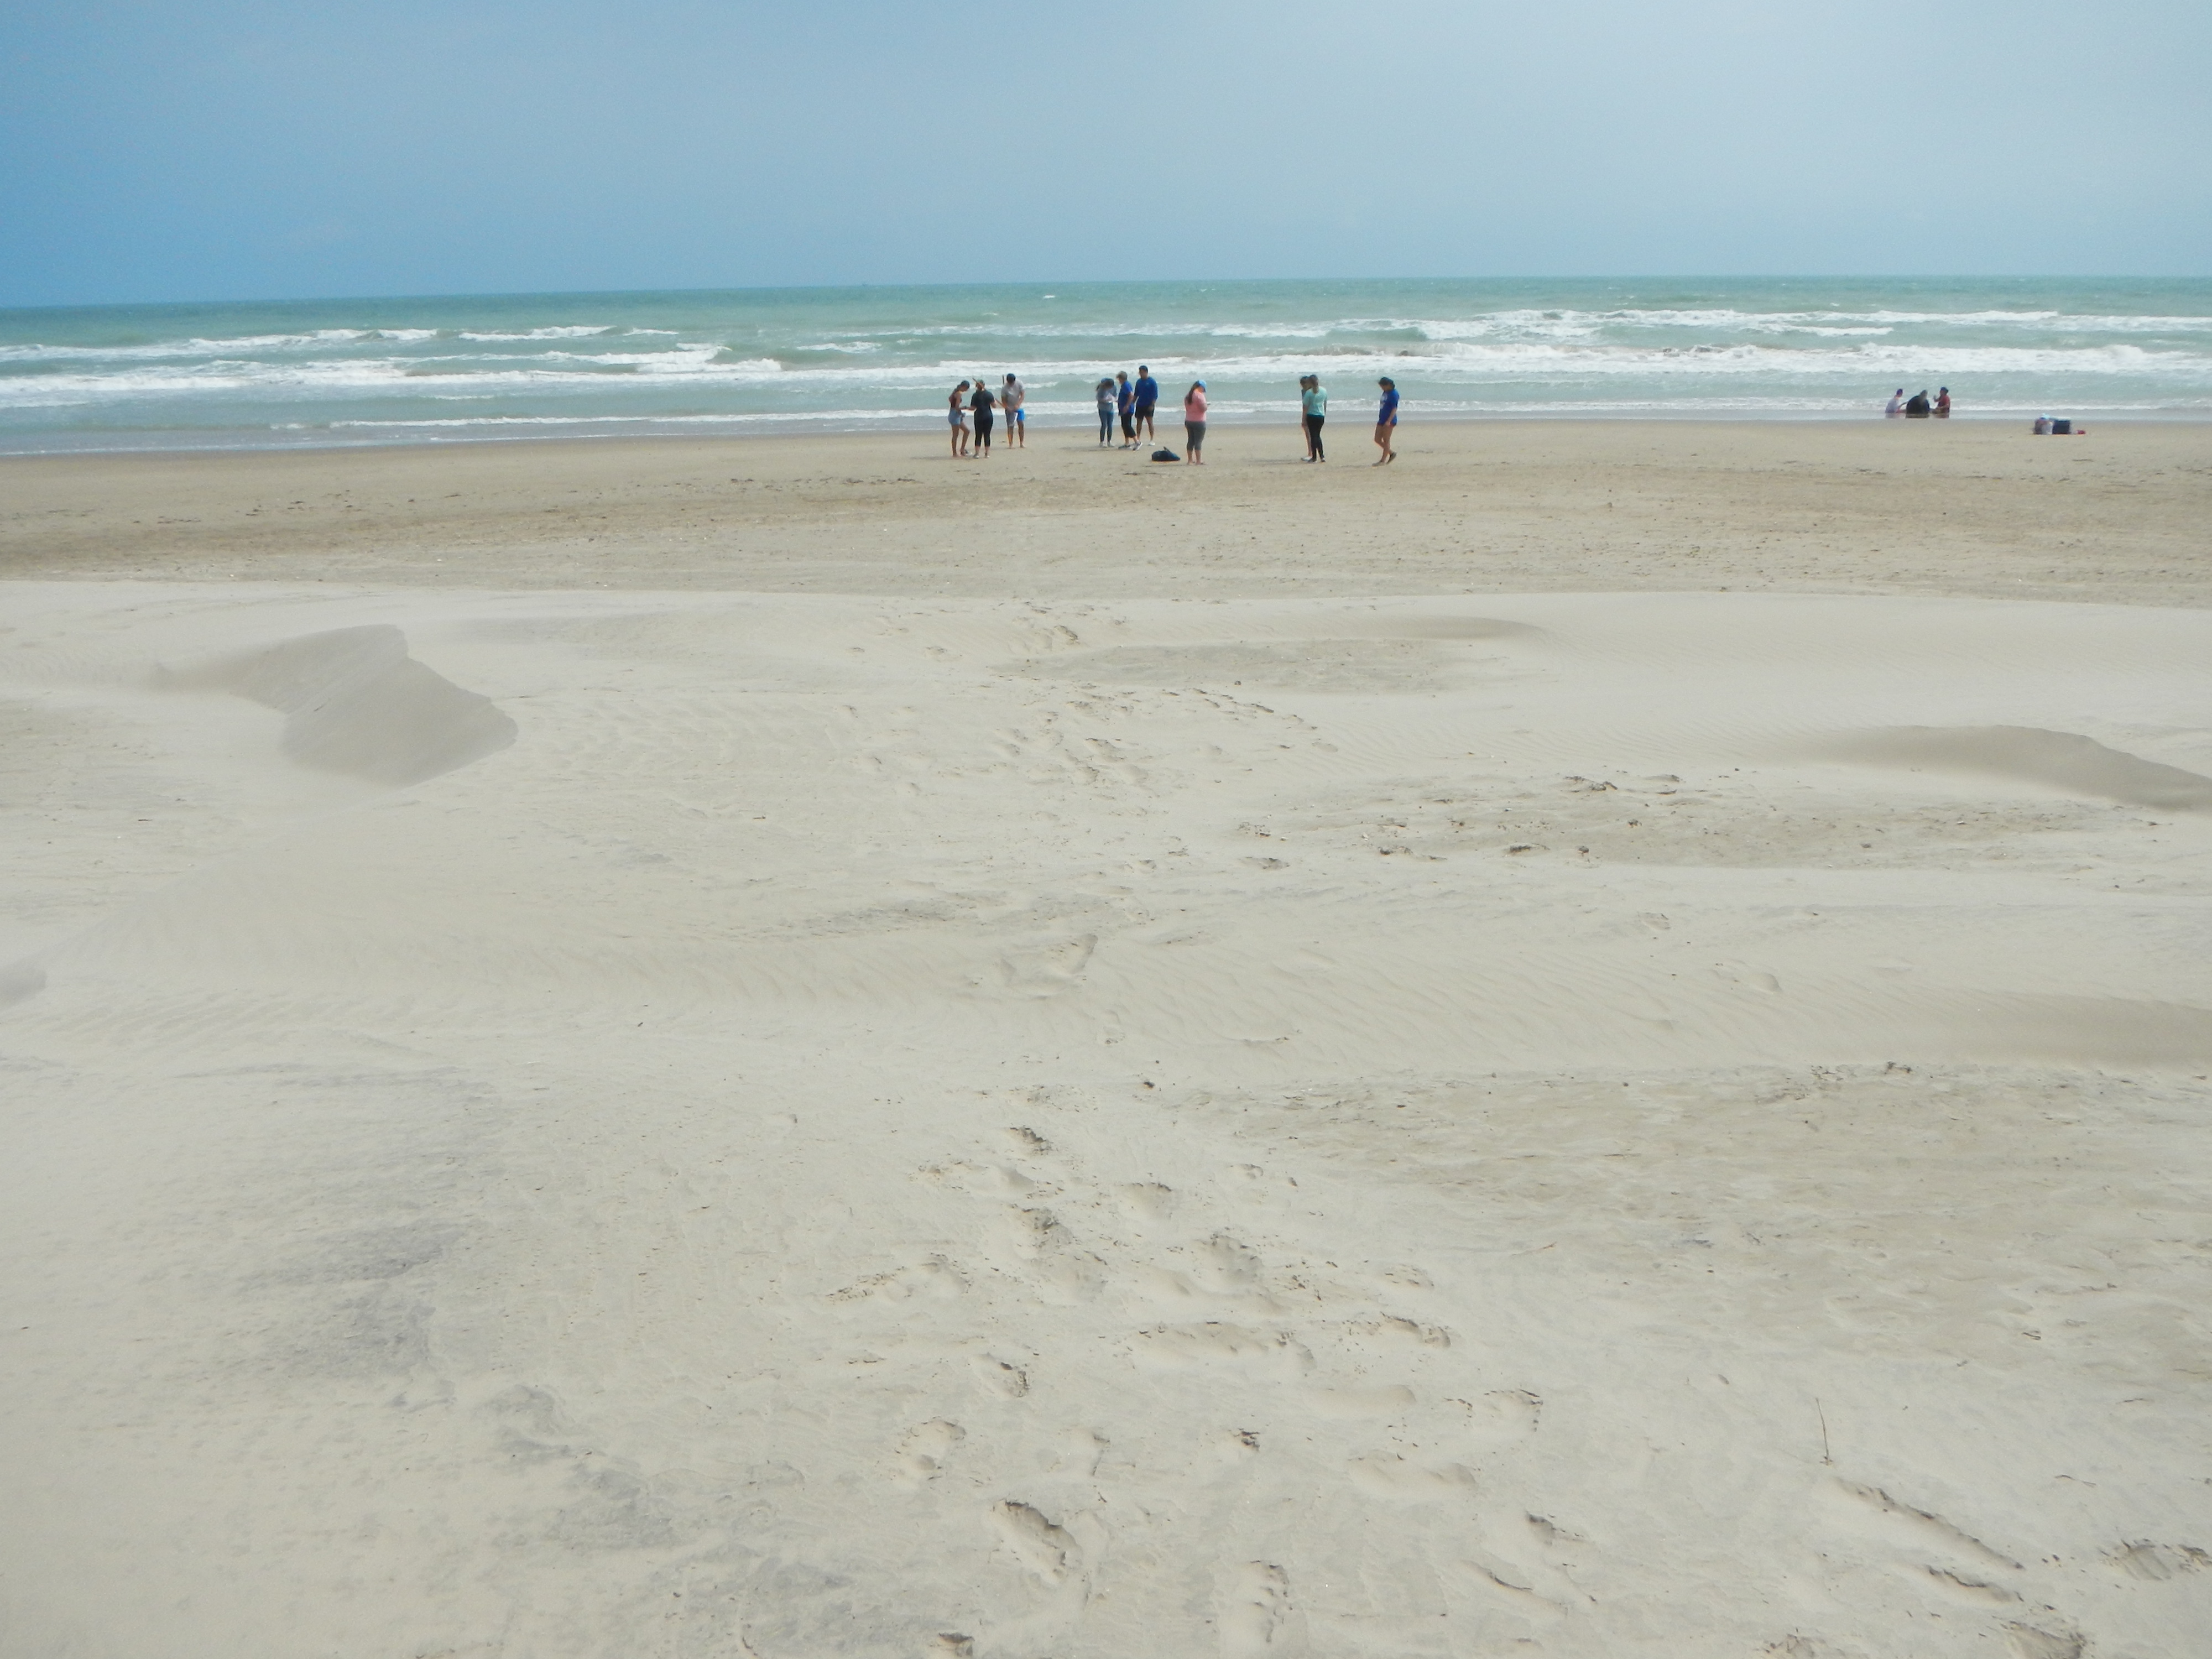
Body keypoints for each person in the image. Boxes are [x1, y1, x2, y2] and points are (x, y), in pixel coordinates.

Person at [1373, 377, 1399, 465]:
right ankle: (1391, 453)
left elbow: (1394, 408)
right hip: (1382, 418)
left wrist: (1389, 421)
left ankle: (1382, 461)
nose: (1381, 388)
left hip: (1389, 420)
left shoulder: (1394, 394)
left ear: (1388, 385)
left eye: (1382, 386)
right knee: (1377, 439)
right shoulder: (1386, 392)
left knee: (1386, 440)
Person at [1301, 374, 1327, 461]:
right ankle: (1322, 456)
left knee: (1313, 437)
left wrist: (1303, 419)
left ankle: (1314, 458)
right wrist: (1324, 414)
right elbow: (1325, 404)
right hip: (1321, 416)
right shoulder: (1324, 391)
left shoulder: (1309, 393)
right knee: (1318, 436)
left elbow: (1305, 407)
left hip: (1311, 416)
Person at [1133, 364, 1159, 443]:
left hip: (1149, 405)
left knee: (1150, 422)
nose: (1141, 374)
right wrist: (1132, 404)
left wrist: (1152, 405)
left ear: (1146, 372)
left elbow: (1155, 395)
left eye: (1142, 372)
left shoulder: (1152, 382)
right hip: (1140, 404)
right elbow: (1136, 394)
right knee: (1139, 422)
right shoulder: (1139, 382)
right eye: (1140, 372)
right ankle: (1138, 439)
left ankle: (1152, 439)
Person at [969, 377, 996, 456]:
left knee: (978, 435)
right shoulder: (989, 394)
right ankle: (987, 454)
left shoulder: (975, 395)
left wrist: (965, 408)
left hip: (979, 416)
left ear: (977, 386)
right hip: (988, 416)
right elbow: (994, 406)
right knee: (987, 435)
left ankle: (977, 454)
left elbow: (973, 408)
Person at [1183, 380, 1208, 464]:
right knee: (1198, 441)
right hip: (1199, 421)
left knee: (1191, 440)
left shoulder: (1188, 396)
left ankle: (1190, 460)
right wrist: (1207, 406)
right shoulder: (1199, 396)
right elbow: (1203, 408)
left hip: (1189, 420)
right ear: (1201, 387)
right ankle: (1198, 460)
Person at [1002, 373, 1026, 447]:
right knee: (1010, 426)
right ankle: (1011, 444)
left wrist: (1018, 404)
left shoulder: (1019, 383)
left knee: (1021, 424)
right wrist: (1007, 407)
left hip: (1019, 407)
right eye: (1010, 383)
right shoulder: (1004, 388)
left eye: (1012, 382)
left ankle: (1021, 443)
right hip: (1010, 408)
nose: (1011, 384)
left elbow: (1022, 395)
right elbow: (1004, 401)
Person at [949, 380, 971, 458]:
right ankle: (954, 453)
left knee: (967, 431)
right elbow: (957, 407)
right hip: (955, 415)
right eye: (966, 388)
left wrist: (961, 414)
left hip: (955, 414)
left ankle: (962, 449)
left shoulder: (955, 393)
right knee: (956, 434)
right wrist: (965, 408)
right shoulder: (958, 394)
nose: (966, 390)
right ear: (964, 387)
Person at [1116, 371, 1136, 447]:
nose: (1119, 381)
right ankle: (1127, 443)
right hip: (1123, 408)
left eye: (1119, 379)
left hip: (1127, 409)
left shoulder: (1126, 385)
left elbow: (1131, 396)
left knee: (1127, 425)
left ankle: (1137, 441)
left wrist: (1127, 406)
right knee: (1124, 425)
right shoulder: (1124, 385)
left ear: (1122, 378)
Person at [1095, 377, 1118, 446]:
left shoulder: (1114, 388)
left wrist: (1114, 399)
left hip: (1110, 408)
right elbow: (1099, 399)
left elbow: (1115, 395)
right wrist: (1105, 400)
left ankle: (1109, 441)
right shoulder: (1102, 389)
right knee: (1104, 425)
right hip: (1102, 408)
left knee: (1110, 425)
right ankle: (1102, 442)